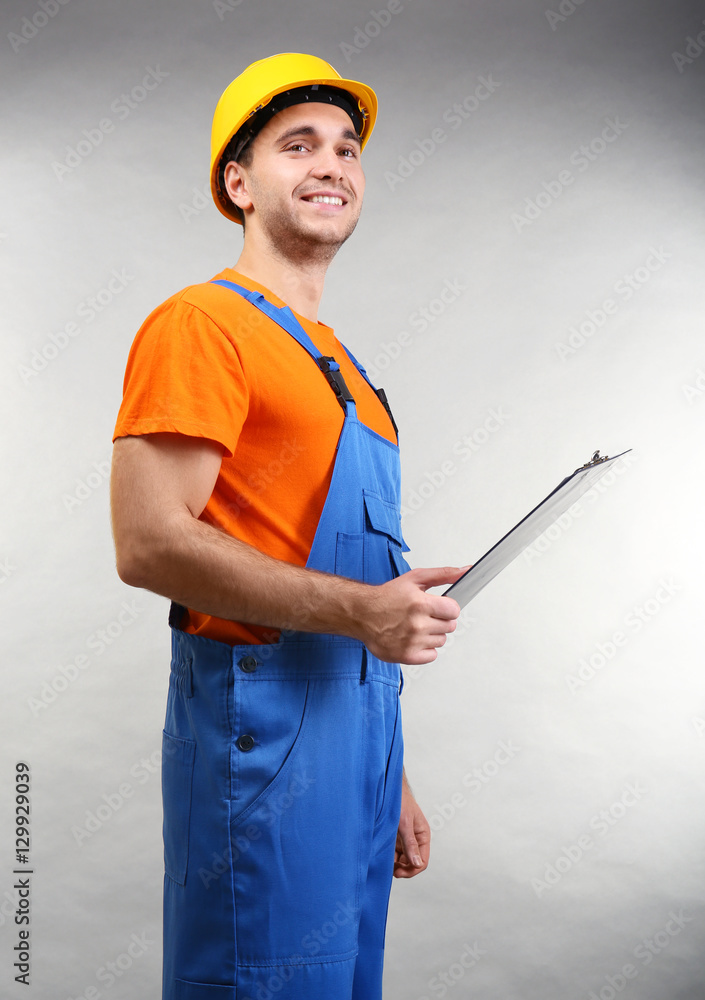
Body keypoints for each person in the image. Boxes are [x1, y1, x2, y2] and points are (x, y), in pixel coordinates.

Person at [110, 51, 463, 1000]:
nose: (332, 165)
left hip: (356, 738)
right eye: (296, 144)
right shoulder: (200, 326)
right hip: (259, 736)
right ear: (238, 182)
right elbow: (149, 543)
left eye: (347, 149)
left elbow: (359, 598)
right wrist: (361, 613)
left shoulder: (345, 369)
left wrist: (387, 773)